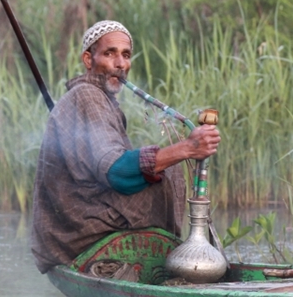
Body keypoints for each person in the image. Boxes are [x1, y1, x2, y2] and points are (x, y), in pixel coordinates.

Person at [30, 20, 221, 272]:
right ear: (88, 60)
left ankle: (162, 258)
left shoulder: (101, 100)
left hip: (80, 221)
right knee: (166, 170)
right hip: (77, 231)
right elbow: (117, 173)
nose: (120, 64)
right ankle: (161, 263)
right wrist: (185, 149)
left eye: (126, 55)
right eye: (110, 53)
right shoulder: (87, 95)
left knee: (163, 168)